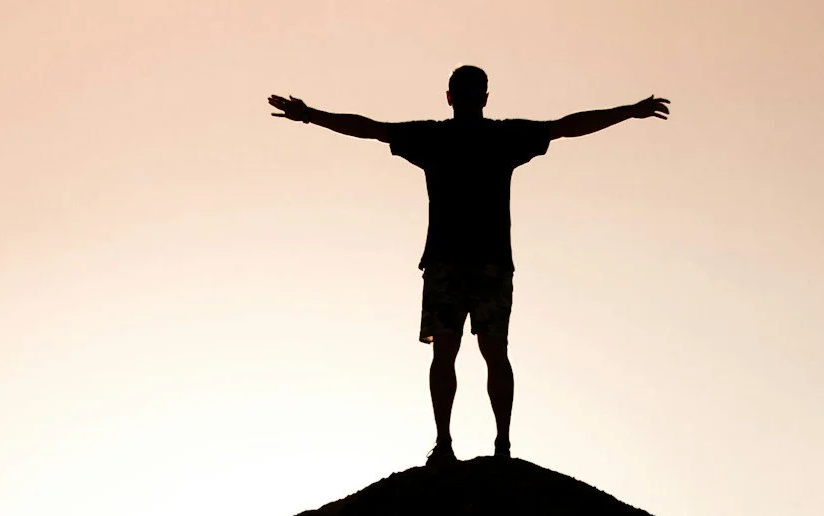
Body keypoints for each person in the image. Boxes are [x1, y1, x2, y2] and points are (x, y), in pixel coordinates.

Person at [269, 66, 668, 463]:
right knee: (495, 352)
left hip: (447, 261)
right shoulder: (503, 137)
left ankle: (444, 444)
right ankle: (502, 446)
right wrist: (628, 111)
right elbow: (566, 126)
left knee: (445, 353)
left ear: (449, 96)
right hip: (490, 261)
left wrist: (310, 115)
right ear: (485, 97)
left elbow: (371, 128)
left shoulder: (434, 137)